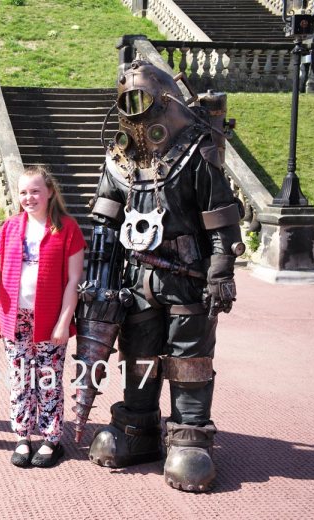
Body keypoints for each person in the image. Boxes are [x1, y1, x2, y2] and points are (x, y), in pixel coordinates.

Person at [80, 60, 244, 492]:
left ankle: (190, 434)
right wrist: (100, 281)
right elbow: (104, 224)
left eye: (143, 97)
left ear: (166, 97)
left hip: (187, 275)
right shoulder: (118, 160)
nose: (137, 109)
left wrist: (220, 271)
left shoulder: (197, 150)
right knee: (139, 352)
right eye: (127, 100)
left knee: (189, 356)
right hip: (137, 278)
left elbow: (221, 218)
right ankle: (137, 426)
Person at [0, 166, 85, 468]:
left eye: (35, 191)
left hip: (49, 320)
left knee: (47, 380)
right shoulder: (10, 228)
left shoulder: (67, 229)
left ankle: (51, 439)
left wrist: (63, 322)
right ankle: (22, 436)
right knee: (19, 380)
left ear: (50, 192)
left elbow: (73, 282)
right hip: (14, 318)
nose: (29, 197)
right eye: (24, 192)